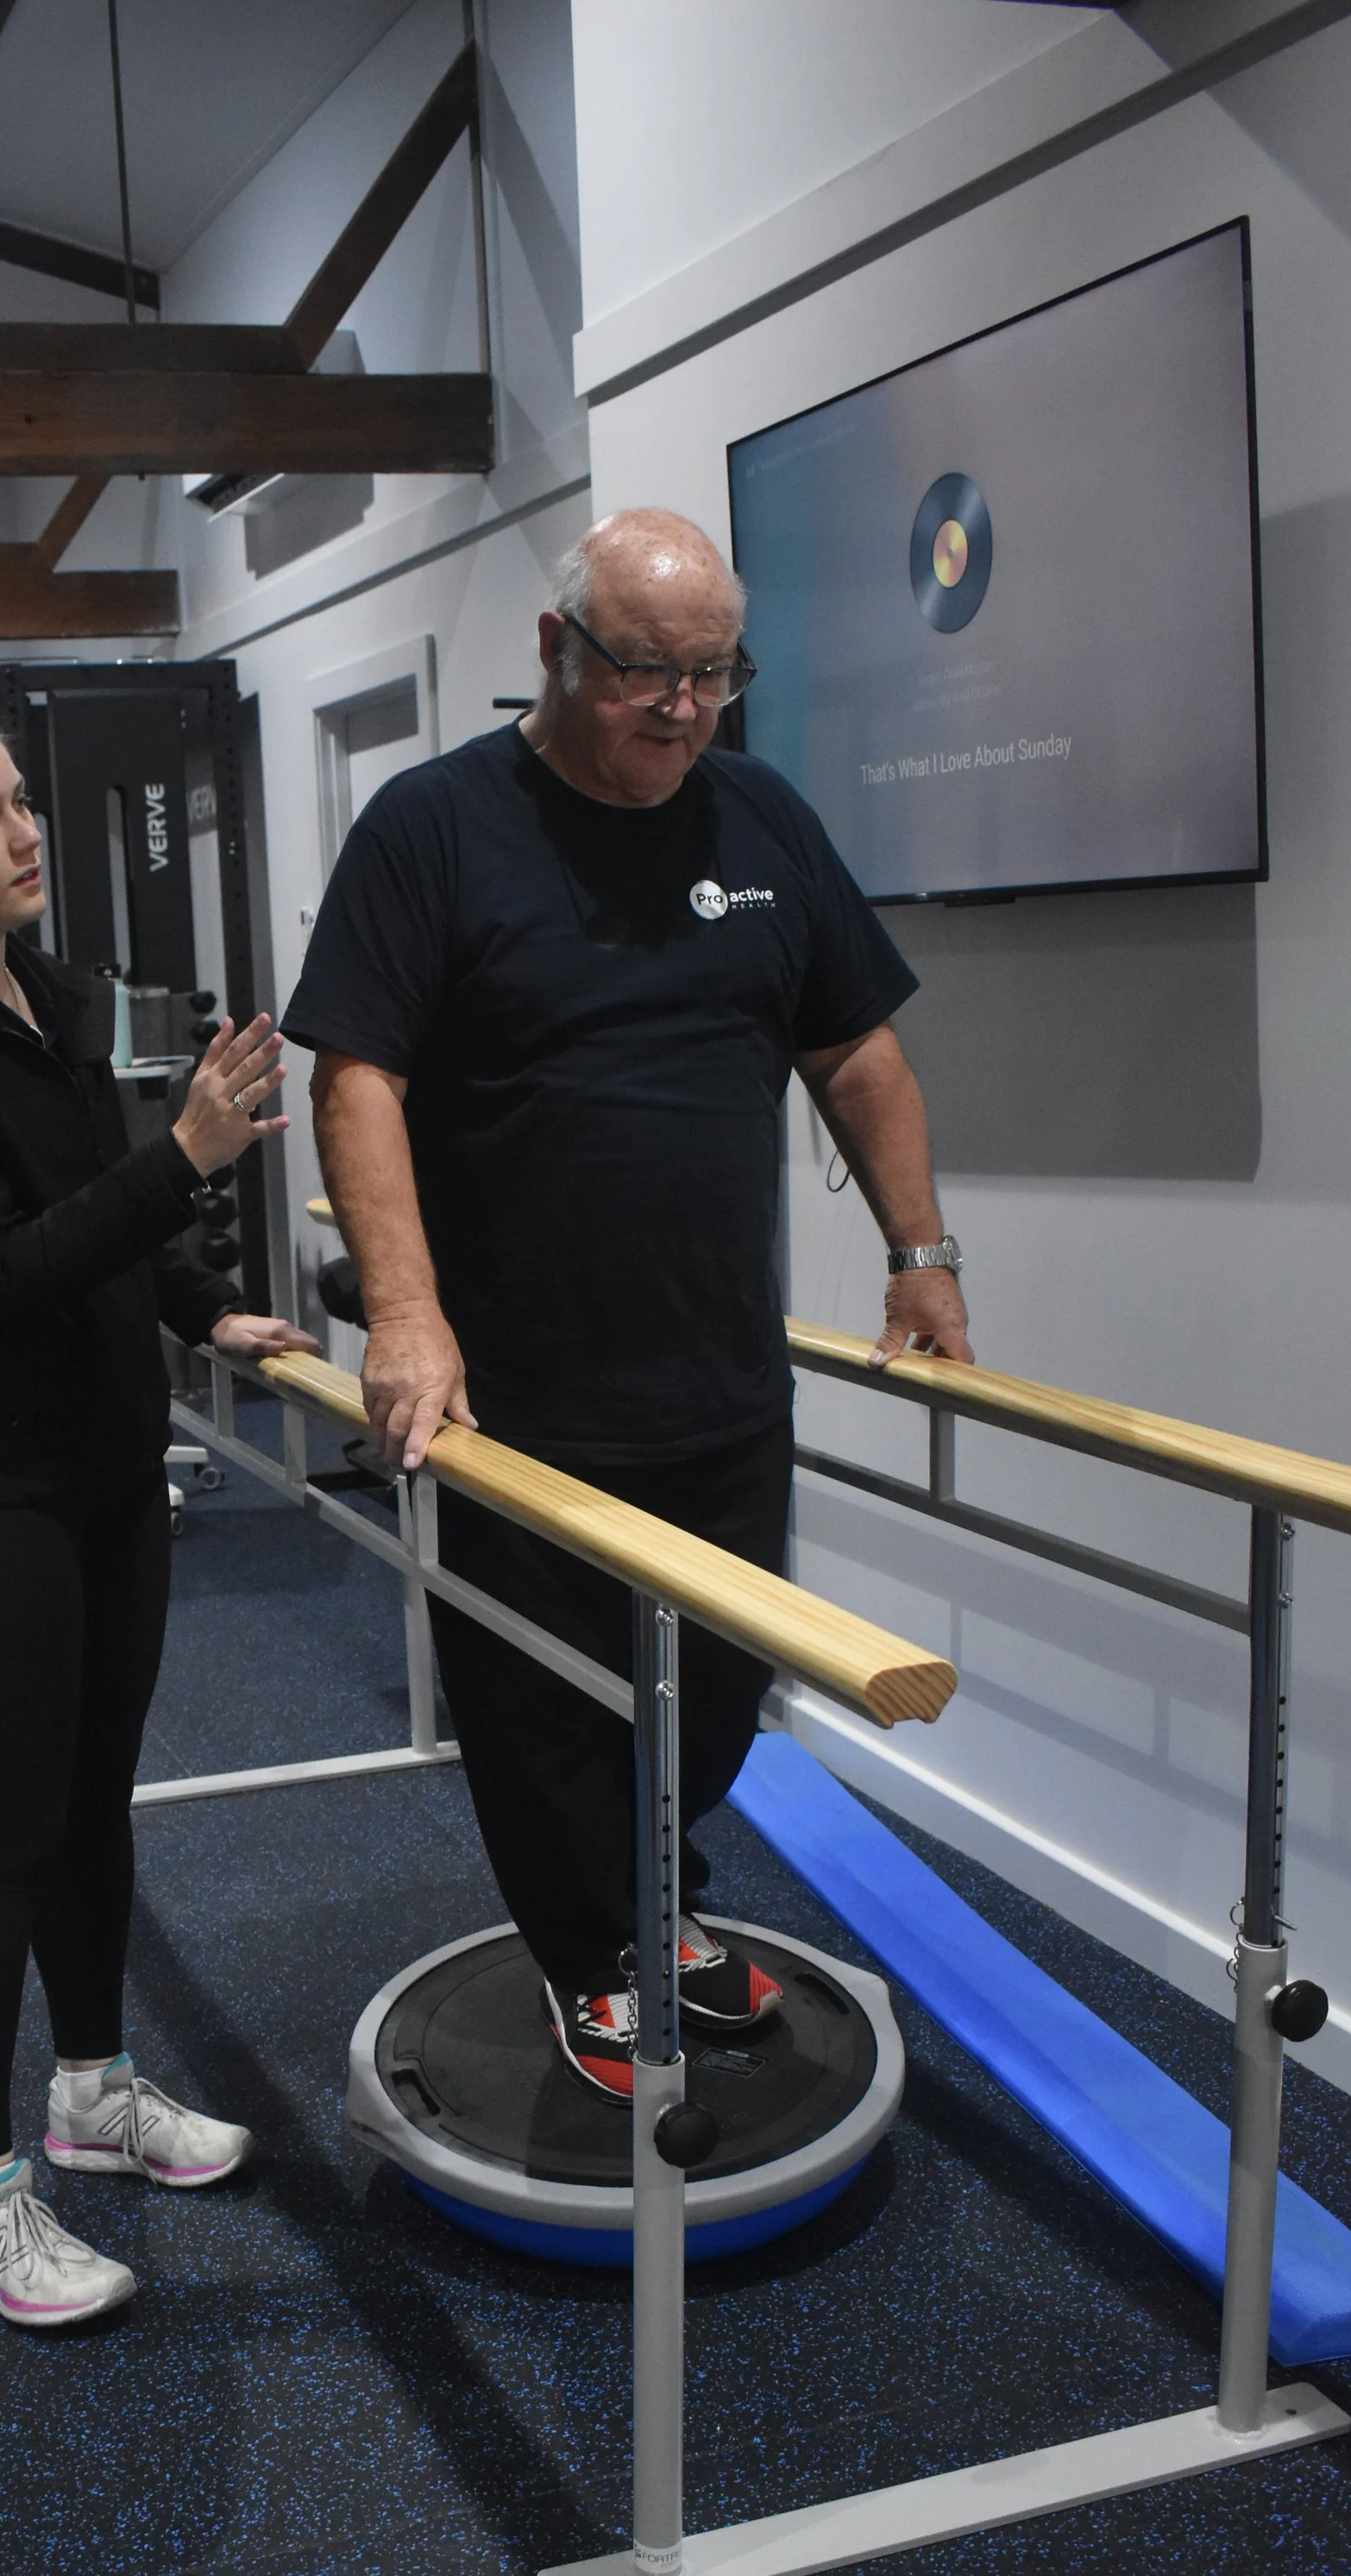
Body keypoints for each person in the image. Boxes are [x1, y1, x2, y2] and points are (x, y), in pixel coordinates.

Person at [284, 509, 972, 2103]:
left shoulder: (763, 817)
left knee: (715, 1698)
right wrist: (405, 1314)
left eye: (715, 673)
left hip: (718, 1373)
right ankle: (592, 1951)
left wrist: (923, 1252)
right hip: (517, 1390)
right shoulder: (434, 826)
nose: (682, 707)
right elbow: (359, 1077)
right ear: (557, 648)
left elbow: (856, 1051)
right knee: (542, 1705)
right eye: (648, 670)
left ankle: (656, 1906)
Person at [0, 706, 320, 2323]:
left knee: (96, 1803)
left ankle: (92, 2092)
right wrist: (187, 1156)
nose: (23, 833)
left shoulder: (55, 996)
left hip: (105, 1465)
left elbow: (101, 1213)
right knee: (9, 1835)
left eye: (20, 802)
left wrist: (203, 1307)